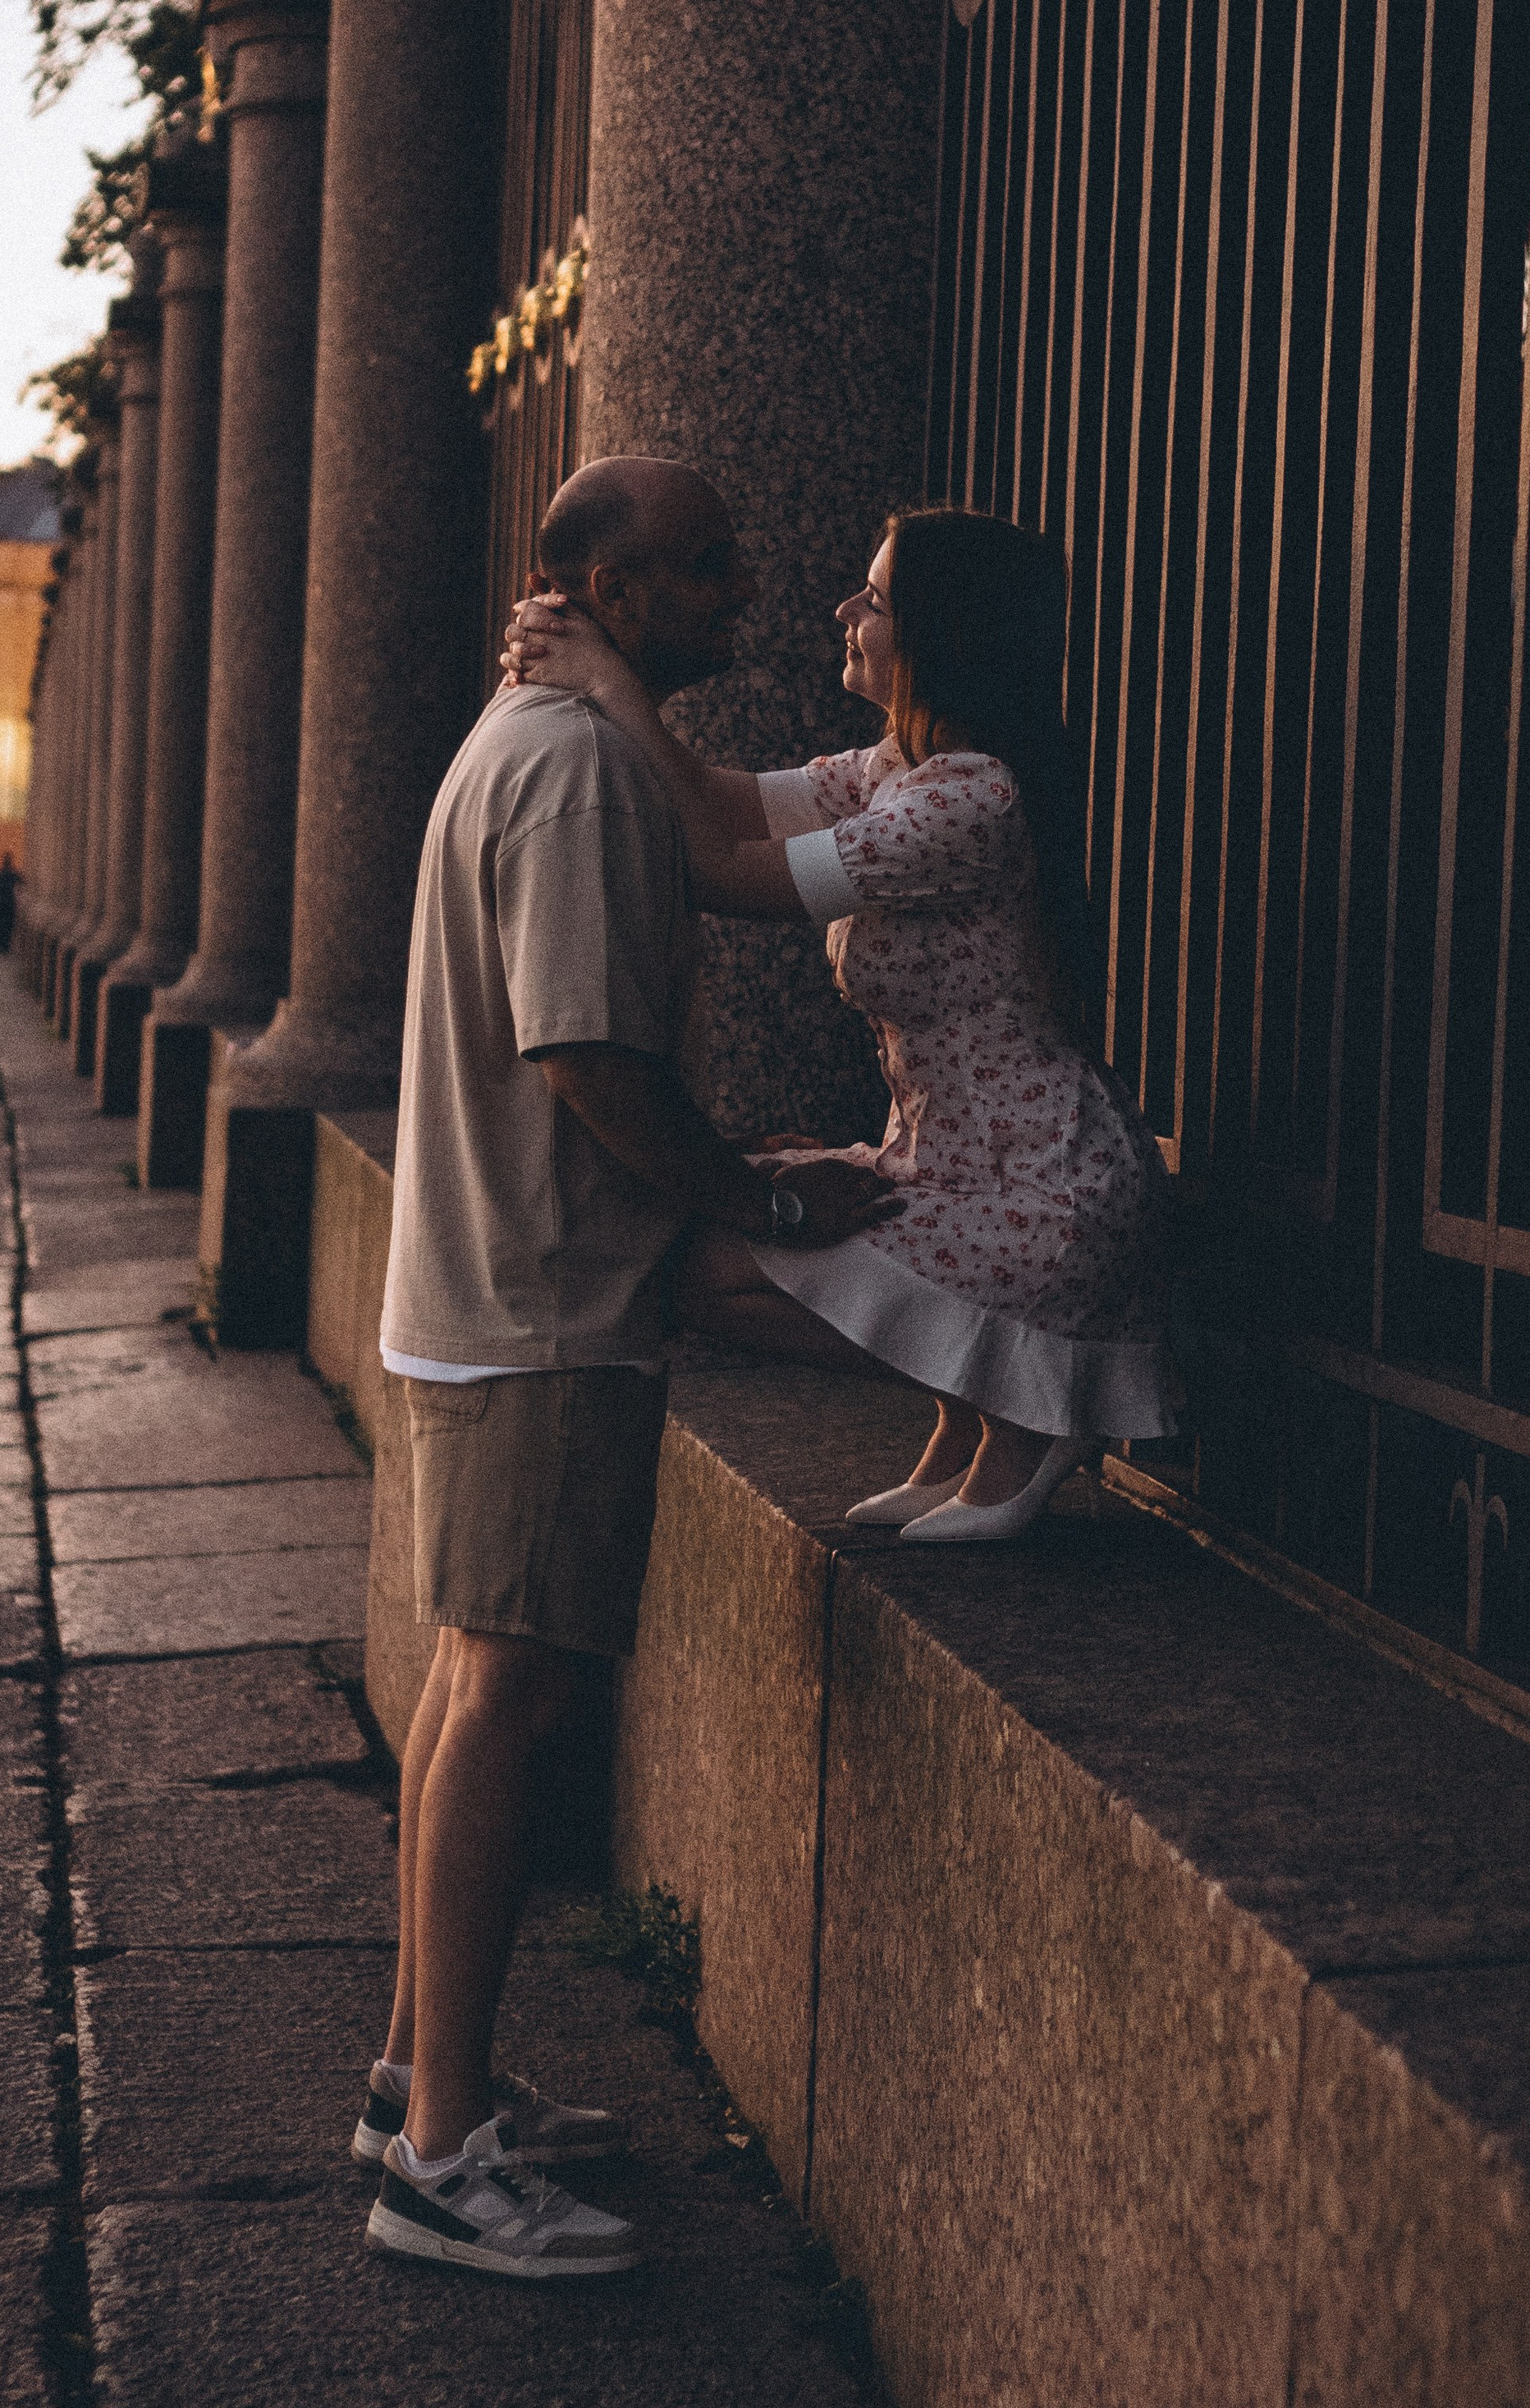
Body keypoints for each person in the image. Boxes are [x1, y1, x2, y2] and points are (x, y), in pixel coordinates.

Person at [364, 456, 898, 2280]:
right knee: (505, 1699)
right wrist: (747, 1190)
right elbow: (587, 1054)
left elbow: (736, 850)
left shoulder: (529, 736)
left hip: (477, 1281)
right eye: (695, 569)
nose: (739, 592)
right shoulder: (580, 767)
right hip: (541, 1300)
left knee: (464, 1684)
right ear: (594, 582)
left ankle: (416, 2078)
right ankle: (440, 2163)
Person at [506, 502, 1177, 1540]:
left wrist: (608, 685)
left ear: (940, 633)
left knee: (710, 1272)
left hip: (1046, 1190)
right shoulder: (891, 772)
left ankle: (1028, 1404)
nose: (844, 609)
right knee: (717, 1234)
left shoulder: (970, 803)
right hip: (960, 1166)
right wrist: (612, 682)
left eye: (875, 597)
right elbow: (722, 803)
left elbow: (724, 869)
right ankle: (971, 1410)